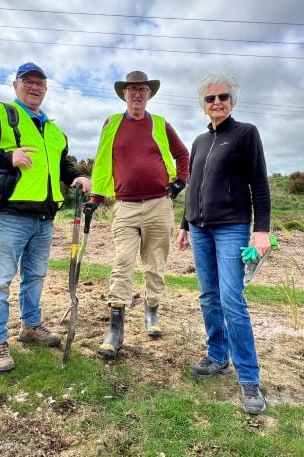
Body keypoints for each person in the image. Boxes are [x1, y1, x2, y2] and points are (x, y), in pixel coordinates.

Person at [0, 62, 91, 372]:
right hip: (9, 214)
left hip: (44, 218)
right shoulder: (0, 113)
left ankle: (31, 326)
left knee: (35, 277)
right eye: (28, 82)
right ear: (17, 85)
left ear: (46, 88)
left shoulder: (55, 130)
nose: (35, 87)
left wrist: (78, 177)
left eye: (40, 83)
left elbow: (63, 167)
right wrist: (7, 157)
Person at [175, 72, 271, 415]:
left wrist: (262, 230)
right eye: (210, 98)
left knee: (232, 299)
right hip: (199, 229)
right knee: (208, 296)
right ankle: (218, 356)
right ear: (203, 105)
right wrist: (184, 225)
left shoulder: (246, 134)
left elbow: (259, 184)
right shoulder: (200, 141)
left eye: (223, 97)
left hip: (231, 227)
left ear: (232, 101)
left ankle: (249, 378)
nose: (217, 103)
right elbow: (193, 186)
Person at [85, 71, 190, 358]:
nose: (137, 95)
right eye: (132, 90)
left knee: (155, 264)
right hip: (126, 207)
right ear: (124, 94)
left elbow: (183, 155)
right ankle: (116, 330)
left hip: (159, 204)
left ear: (149, 94)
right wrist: (95, 198)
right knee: (122, 262)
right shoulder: (112, 123)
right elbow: (103, 162)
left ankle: (151, 313)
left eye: (142, 90)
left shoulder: (160, 124)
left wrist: (180, 180)